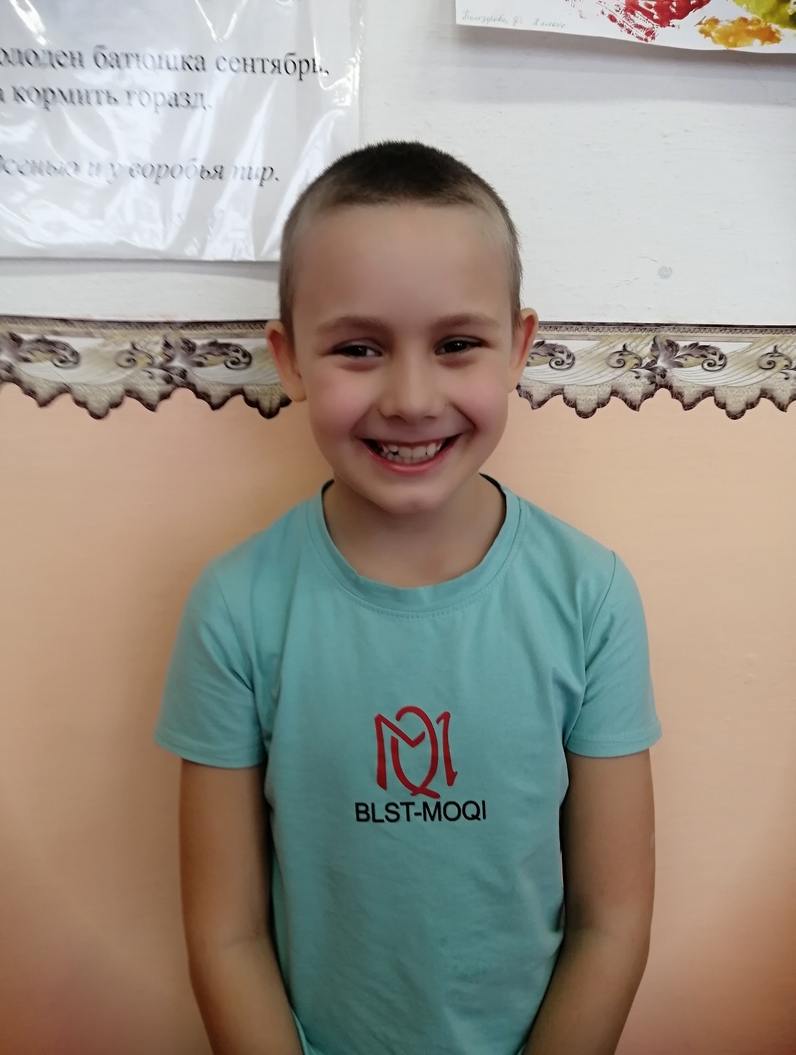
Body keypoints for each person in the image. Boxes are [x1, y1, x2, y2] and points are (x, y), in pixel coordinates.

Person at [155, 140, 661, 1055]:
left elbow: (612, 923)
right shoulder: (236, 608)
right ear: (289, 360)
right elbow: (226, 938)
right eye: (359, 349)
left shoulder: (591, 596)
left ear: (519, 348)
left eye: (457, 345)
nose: (413, 398)